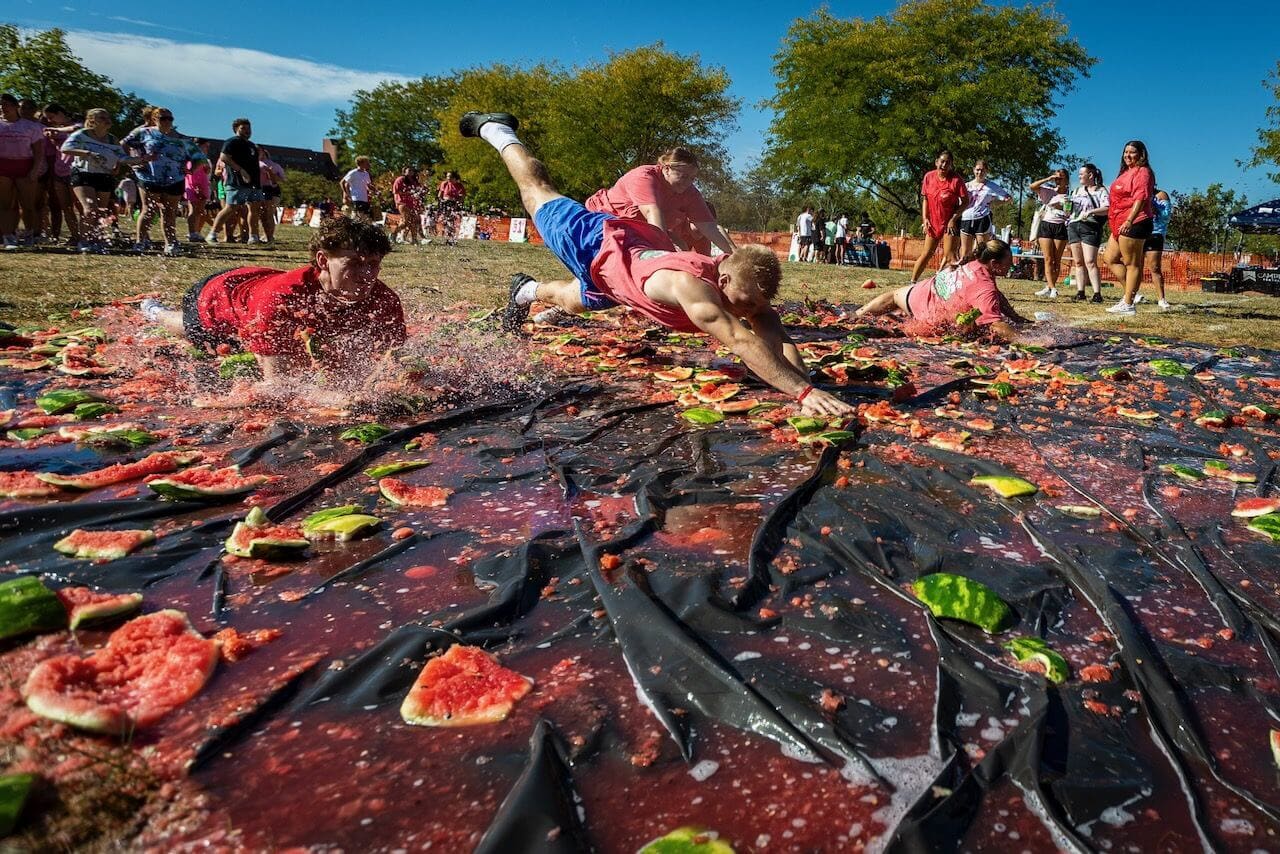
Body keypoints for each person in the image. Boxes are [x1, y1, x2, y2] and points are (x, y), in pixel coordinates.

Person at [461, 110, 853, 417]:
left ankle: (524, 291)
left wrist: (807, 387)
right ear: (724, 274)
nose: (745, 311)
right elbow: (737, 338)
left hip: (620, 278)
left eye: (751, 307)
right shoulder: (691, 286)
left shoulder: (743, 289)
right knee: (537, 189)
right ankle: (498, 132)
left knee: (575, 302)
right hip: (595, 241)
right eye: (743, 301)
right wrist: (803, 391)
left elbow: (777, 337)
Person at [141, 216, 405, 394]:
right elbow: (277, 385)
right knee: (193, 333)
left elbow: (395, 362)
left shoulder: (385, 299)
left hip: (259, 279)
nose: (367, 275)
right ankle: (154, 311)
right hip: (218, 295)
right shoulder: (283, 299)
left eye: (373, 264)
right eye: (354, 264)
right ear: (323, 261)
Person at [855, 239, 1030, 342]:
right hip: (929, 321)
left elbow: (997, 297)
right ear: (994, 264)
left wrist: (1016, 317)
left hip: (915, 296)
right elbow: (997, 326)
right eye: (1008, 262)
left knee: (895, 295)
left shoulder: (973, 263)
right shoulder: (985, 289)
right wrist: (1027, 341)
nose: (1011, 266)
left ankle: (858, 314)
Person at [585, 148, 735, 256]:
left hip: (639, 229)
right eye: (683, 176)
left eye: (692, 178)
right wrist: (666, 255)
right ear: (667, 169)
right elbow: (652, 213)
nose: (688, 182)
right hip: (604, 218)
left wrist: (739, 257)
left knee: (681, 247)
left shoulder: (690, 193)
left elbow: (710, 227)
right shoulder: (644, 176)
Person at [61, 108, 150, 252]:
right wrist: (87, 153)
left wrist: (141, 159)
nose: (107, 119)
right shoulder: (82, 134)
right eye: (102, 117)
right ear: (92, 121)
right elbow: (65, 148)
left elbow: (122, 158)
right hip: (83, 173)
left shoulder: (112, 139)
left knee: (101, 211)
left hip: (104, 175)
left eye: (107, 116)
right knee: (90, 209)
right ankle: (84, 241)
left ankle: (97, 239)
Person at [121, 106, 206, 255]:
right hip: (149, 177)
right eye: (163, 118)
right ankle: (140, 241)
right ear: (154, 119)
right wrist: (136, 160)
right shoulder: (143, 133)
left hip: (175, 179)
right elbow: (122, 144)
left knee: (169, 212)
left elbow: (200, 158)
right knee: (149, 209)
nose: (167, 121)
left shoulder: (182, 139)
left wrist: (190, 170)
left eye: (170, 118)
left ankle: (171, 243)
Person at [1103, 141, 1157, 315]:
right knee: (1109, 258)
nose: (1127, 155)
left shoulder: (1143, 172)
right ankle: (1130, 295)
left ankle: (1128, 304)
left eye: (1132, 152)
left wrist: (1129, 220)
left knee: (1132, 264)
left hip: (1135, 221)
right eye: (1125, 152)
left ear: (1141, 154)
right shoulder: (1125, 172)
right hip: (1118, 223)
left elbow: (1140, 198)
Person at [912, 149, 968, 282]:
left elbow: (966, 202)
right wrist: (925, 219)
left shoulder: (956, 180)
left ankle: (953, 285)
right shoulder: (928, 177)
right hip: (933, 222)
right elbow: (925, 199)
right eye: (942, 161)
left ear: (951, 165)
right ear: (936, 162)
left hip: (950, 223)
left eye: (947, 163)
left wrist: (954, 219)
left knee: (950, 256)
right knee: (926, 254)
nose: (944, 165)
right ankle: (912, 282)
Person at [206, 118, 264, 245]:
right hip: (236, 182)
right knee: (231, 208)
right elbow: (224, 157)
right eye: (243, 128)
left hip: (253, 183)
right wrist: (240, 170)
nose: (247, 131)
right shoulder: (232, 142)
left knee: (254, 209)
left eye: (249, 129)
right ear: (236, 129)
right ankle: (212, 234)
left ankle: (253, 236)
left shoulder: (251, 145)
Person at [0, 93, 45, 250]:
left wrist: (34, 170)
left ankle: (29, 234)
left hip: (25, 166)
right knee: (6, 204)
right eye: (1, 104)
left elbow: (38, 151)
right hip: (3, 166)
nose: (3, 107)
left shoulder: (30, 126)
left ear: (15, 107)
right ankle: (8, 236)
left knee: (27, 204)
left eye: (6, 104)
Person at [1065, 163, 1109, 303]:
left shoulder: (1101, 191)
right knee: (1078, 262)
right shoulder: (1077, 191)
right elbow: (1068, 211)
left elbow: (1107, 208)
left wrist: (1091, 211)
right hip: (1074, 225)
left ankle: (1097, 293)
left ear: (1090, 175)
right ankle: (1080, 292)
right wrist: (1067, 205)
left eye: (1081, 174)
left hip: (1091, 226)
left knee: (1090, 261)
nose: (1079, 177)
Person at [40, 104, 78, 246]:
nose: (50, 121)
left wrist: (57, 130)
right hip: (59, 171)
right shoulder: (55, 131)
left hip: (75, 171)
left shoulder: (78, 125)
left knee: (81, 207)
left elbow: (75, 129)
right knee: (66, 207)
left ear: (60, 112)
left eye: (51, 117)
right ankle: (75, 236)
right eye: (48, 119)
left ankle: (91, 235)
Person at [1030, 169, 1070, 298]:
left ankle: (1049, 286)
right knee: (1048, 258)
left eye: (1061, 178)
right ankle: (1052, 288)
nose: (1058, 181)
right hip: (1047, 225)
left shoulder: (1071, 194)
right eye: (1056, 178)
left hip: (1061, 226)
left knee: (1056, 260)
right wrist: (1048, 178)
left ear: (1067, 180)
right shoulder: (1048, 191)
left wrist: (1062, 207)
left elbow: (1070, 212)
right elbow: (1032, 186)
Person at [959, 160, 1011, 260]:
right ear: (974, 170)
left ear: (986, 171)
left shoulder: (992, 186)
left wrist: (994, 203)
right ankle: (965, 274)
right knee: (965, 252)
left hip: (982, 218)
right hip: (966, 218)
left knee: (981, 251)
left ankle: (979, 273)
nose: (980, 172)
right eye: (978, 170)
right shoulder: (966, 186)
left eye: (983, 170)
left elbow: (1007, 197)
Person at [1144, 189, 1172, 310]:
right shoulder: (1138, 193)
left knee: (1154, 267)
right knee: (1133, 266)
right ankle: (1131, 295)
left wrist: (1153, 206)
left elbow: (1166, 216)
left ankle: (1161, 299)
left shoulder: (1161, 195)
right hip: (1138, 232)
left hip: (1156, 232)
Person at [184, 143, 212, 242]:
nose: (207, 148)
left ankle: (196, 232)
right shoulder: (192, 158)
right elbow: (191, 173)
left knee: (199, 211)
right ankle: (192, 233)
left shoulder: (203, 159)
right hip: (194, 187)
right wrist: (196, 187)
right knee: (193, 210)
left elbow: (206, 172)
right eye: (205, 146)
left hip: (203, 186)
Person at [257, 147, 285, 243]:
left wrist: (271, 174)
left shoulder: (268, 165)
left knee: (267, 214)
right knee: (267, 214)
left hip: (269, 189)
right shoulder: (274, 165)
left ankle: (269, 235)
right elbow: (282, 179)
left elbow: (282, 179)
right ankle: (268, 235)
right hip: (268, 189)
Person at [391, 166, 424, 245]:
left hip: (413, 204)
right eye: (409, 170)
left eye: (412, 170)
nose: (411, 172)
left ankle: (414, 239)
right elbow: (396, 191)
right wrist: (408, 193)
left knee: (413, 222)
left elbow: (418, 191)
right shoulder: (400, 179)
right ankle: (393, 234)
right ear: (404, 172)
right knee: (406, 222)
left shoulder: (414, 180)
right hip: (402, 203)